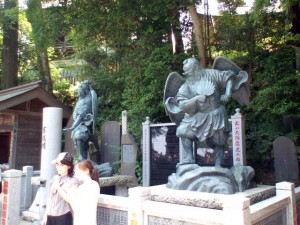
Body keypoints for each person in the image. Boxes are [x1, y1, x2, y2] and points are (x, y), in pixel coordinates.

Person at [165, 58, 249, 167]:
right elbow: (182, 104)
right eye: (185, 72)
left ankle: (218, 165)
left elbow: (229, 76)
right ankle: (189, 158)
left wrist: (228, 94)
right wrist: (195, 99)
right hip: (197, 115)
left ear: (195, 68)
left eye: (189, 71)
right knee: (183, 131)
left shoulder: (211, 74)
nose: (187, 74)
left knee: (219, 141)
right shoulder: (186, 85)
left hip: (215, 112)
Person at [55, 159, 100, 225]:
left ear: (86, 170)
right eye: (75, 171)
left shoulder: (92, 185)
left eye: (77, 171)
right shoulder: (83, 185)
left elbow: (73, 203)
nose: (75, 174)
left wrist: (59, 188)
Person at [64, 80, 99, 160]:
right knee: (77, 136)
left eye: (80, 92)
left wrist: (72, 128)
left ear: (84, 91)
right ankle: (82, 157)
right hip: (79, 125)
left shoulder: (87, 101)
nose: (78, 93)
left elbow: (80, 117)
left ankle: (82, 157)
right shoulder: (81, 100)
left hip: (84, 125)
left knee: (79, 135)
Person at [42, 152, 79, 225]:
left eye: (62, 165)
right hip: (50, 216)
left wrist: (59, 188)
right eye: (57, 164)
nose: (59, 167)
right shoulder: (55, 178)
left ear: (69, 166)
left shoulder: (73, 181)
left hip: (64, 216)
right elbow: (50, 198)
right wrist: (45, 216)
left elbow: (70, 199)